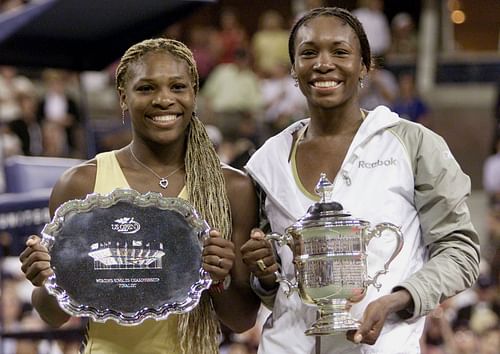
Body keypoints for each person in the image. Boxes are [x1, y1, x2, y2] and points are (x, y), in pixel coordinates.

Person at [240, 7, 480, 354]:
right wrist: (264, 271)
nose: (323, 63)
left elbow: (460, 250)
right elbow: (274, 289)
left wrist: (399, 298)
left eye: (340, 51)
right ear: (293, 69)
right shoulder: (267, 160)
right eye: (308, 53)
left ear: (365, 66)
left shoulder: (413, 144)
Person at [19, 37, 260, 354]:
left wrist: (219, 279)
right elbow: (52, 315)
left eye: (177, 87)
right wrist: (49, 281)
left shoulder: (232, 188)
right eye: (146, 88)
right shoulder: (81, 184)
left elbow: (242, 319)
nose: (164, 99)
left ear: (194, 93)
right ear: (123, 97)